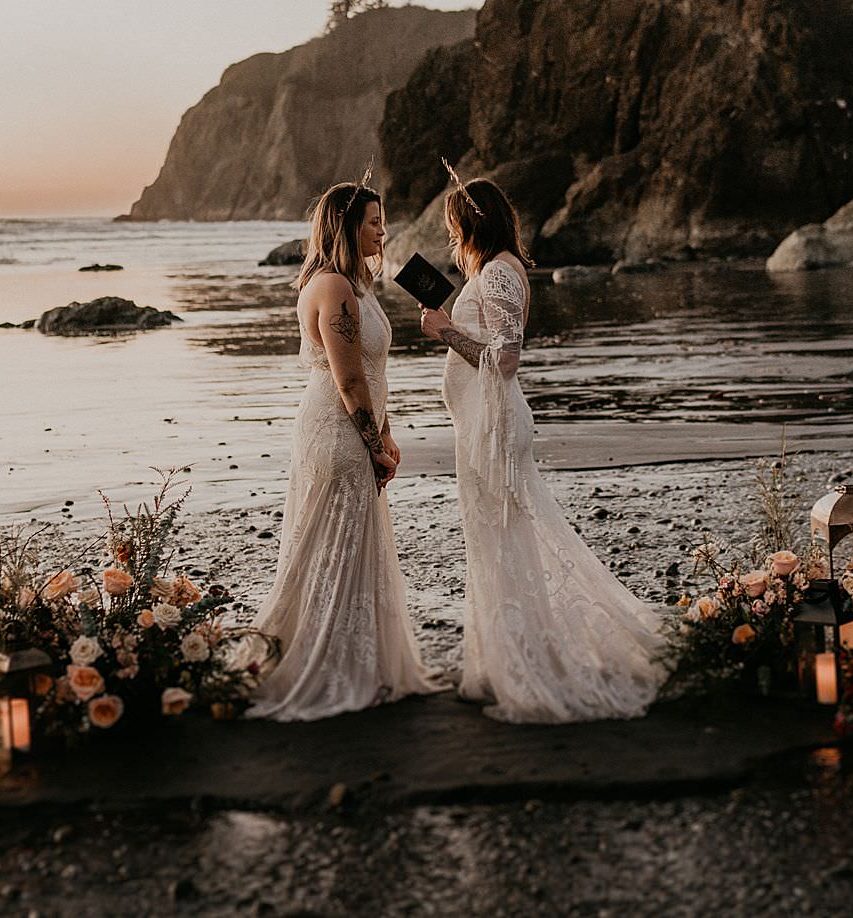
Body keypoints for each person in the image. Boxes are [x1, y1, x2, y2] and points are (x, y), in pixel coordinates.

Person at [421, 175, 666, 722]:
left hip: (496, 424)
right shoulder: (492, 271)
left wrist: (442, 331)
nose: (452, 235)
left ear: (470, 223)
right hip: (480, 422)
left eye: (454, 225)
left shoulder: (500, 272)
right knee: (492, 541)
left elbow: (507, 359)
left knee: (504, 539)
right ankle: (501, 659)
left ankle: (525, 661)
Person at [249, 182, 443, 720]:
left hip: (355, 428)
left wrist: (388, 432)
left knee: (351, 546)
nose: (383, 230)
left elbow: (375, 375)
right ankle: (324, 665)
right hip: (335, 432)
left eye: (383, 220)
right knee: (330, 547)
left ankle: (356, 660)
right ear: (345, 226)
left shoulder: (356, 283)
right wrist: (371, 441)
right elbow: (351, 379)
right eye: (373, 221)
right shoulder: (333, 287)